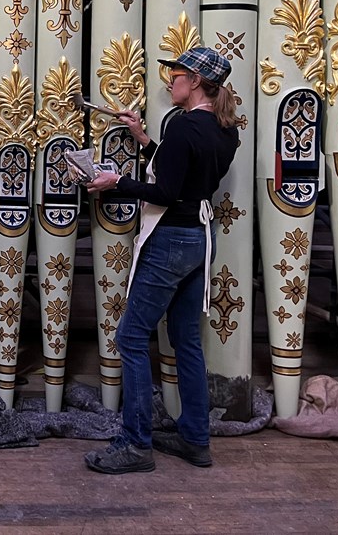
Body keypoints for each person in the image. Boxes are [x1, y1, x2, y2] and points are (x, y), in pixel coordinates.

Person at [83, 46, 239, 474]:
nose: (171, 80)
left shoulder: (186, 130)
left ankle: (135, 444)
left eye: (178, 75)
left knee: (131, 338)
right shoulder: (225, 131)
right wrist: (145, 140)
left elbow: (166, 193)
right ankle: (195, 438)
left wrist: (116, 181)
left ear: (196, 83)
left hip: (169, 240)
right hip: (198, 241)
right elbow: (182, 176)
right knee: (186, 339)